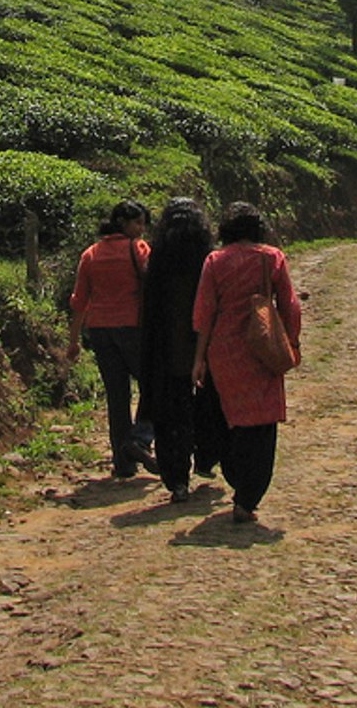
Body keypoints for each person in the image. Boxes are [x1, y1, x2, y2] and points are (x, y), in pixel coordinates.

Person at [192, 202, 301, 523]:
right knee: (263, 422)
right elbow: (290, 306)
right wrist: (290, 342)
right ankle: (248, 497)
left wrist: (199, 358)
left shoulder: (214, 261)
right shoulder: (272, 258)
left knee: (231, 418)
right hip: (263, 348)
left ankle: (235, 476)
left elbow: (204, 313)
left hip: (223, 350)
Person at [138, 197, 228, 503]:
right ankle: (205, 459)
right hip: (206, 348)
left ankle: (177, 478)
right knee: (207, 408)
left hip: (168, 350)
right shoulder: (209, 260)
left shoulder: (158, 262)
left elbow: (148, 312)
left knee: (170, 414)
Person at [69, 200, 155, 477]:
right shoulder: (138, 249)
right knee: (153, 387)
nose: (141, 229)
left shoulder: (91, 254)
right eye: (138, 223)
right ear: (123, 222)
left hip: (100, 332)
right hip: (134, 329)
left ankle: (123, 461)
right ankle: (138, 439)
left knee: (117, 396)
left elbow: (80, 302)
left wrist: (73, 342)